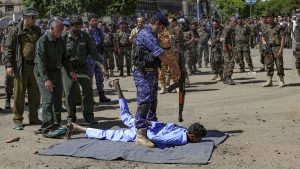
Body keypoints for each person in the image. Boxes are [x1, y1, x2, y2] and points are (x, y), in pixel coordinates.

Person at [67, 79, 207, 149]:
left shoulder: (183, 131)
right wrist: (145, 132)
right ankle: (79, 128)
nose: (198, 142)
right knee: (109, 135)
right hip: (142, 131)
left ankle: (117, 88)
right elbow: (158, 140)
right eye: (198, 139)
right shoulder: (177, 139)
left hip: (146, 126)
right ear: (192, 135)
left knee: (125, 116)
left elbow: (166, 127)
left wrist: (148, 124)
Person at [132, 12, 181, 147]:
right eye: (162, 27)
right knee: (145, 100)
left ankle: (152, 124)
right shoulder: (146, 33)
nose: (163, 30)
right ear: (158, 23)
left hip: (152, 71)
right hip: (142, 72)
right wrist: (176, 68)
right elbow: (161, 54)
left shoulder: (153, 33)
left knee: (153, 98)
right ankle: (140, 133)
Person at [62, 15, 108, 125]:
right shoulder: (64, 37)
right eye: (75, 26)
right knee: (69, 93)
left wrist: (102, 67)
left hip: (82, 67)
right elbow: (60, 55)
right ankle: (71, 117)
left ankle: (88, 116)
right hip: (68, 68)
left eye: (79, 26)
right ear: (71, 26)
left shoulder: (85, 36)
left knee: (88, 92)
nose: (78, 28)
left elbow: (94, 53)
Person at [34, 17, 77, 134]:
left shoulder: (60, 40)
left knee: (57, 98)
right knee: (48, 99)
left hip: (56, 71)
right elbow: (40, 63)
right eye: (59, 30)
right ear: (51, 29)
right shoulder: (42, 41)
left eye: (62, 30)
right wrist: (46, 79)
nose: (61, 32)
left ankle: (56, 124)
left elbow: (65, 58)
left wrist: (70, 71)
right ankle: (47, 128)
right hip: (42, 73)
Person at [4, 7, 42, 130]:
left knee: (35, 94)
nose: (34, 20)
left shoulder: (37, 30)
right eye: (32, 17)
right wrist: (9, 65)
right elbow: (8, 49)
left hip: (35, 67)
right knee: (19, 94)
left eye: (35, 17)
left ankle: (34, 117)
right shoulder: (15, 31)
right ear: (25, 18)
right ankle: (17, 119)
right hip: (21, 67)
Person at [86, 13, 111, 103]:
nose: (94, 22)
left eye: (96, 20)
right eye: (92, 21)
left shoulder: (100, 31)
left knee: (100, 76)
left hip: (99, 55)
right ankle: (90, 98)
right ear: (89, 22)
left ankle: (101, 95)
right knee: (90, 77)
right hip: (90, 57)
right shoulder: (86, 32)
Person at [261, 12, 285, 87]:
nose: (269, 19)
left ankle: (281, 80)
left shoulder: (278, 27)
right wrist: (264, 41)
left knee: (279, 64)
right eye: (268, 18)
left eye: (271, 17)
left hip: (277, 47)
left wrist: (281, 49)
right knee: (269, 65)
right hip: (268, 48)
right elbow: (262, 36)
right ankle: (269, 80)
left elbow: (282, 38)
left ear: (274, 18)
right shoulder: (264, 27)